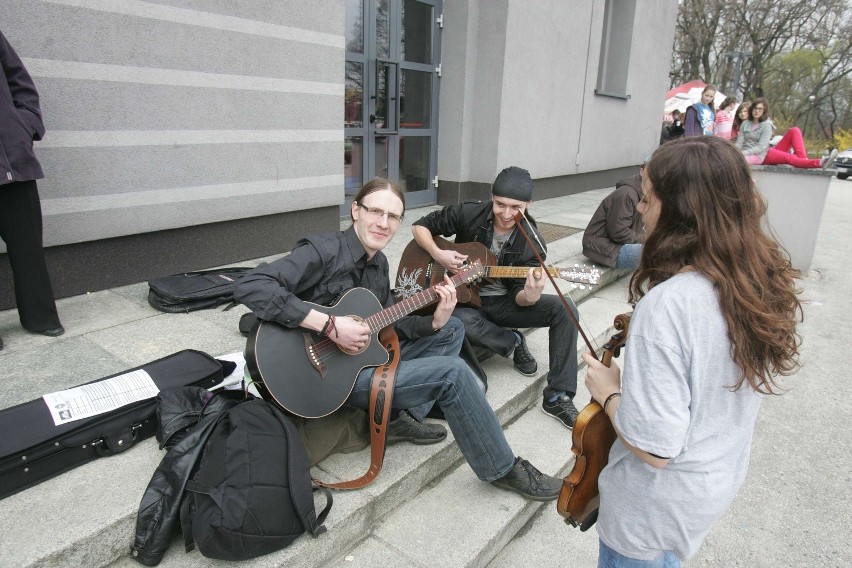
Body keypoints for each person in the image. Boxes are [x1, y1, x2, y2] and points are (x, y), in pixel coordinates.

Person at [233, 178, 563, 501]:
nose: (383, 223)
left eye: (393, 217)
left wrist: (434, 321)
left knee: (452, 330)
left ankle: (400, 417)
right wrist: (329, 325)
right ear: (355, 211)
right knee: (454, 373)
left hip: (359, 360)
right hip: (325, 377)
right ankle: (503, 468)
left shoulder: (378, 265)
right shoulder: (322, 251)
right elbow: (251, 285)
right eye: (376, 211)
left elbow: (389, 323)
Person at [582, 136, 802, 566]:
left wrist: (608, 391)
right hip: (708, 487)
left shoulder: (668, 305)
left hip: (651, 514)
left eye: (646, 199)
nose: (640, 210)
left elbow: (656, 446)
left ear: (680, 210)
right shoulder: (749, 279)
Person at [411, 167, 582, 429]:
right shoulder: (470, 213)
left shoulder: (532, 243)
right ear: (491, 197)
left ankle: (558, 395)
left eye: (516, 207)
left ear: (528, 205)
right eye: (500, 204)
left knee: (566, 308)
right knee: (454, 318)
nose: (506, 214)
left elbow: (519, 297)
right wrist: (438, 254)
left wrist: (530, 295)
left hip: (503, 302)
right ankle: (512, 342)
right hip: (463, 298)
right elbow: (420, 226)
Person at [0, 29, 64, 349]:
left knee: (28, 248)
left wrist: (26, 125)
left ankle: (40, 317)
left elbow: (19, 81)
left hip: (12, 162)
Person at [736, 98, 838, 169]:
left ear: (764, 110)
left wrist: (743, 153)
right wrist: (735, 151)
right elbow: (739, 142)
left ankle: (819, 162)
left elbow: (761, 147)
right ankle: (803, 161)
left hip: (762, 154)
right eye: (754, 108)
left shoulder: (766, 125)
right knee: (791, 158)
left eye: (759, 109)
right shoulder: (745, 123)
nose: (756, 111)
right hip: (753, 154)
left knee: (795, 131)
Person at [582, 159, 646, 269]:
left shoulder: (645, 192)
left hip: (618, 244)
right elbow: (619, 232)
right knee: (656, 254)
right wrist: (646, 239)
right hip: (604, 247)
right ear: (642, 170)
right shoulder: (626, 193)